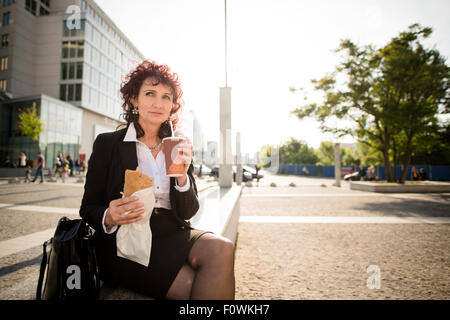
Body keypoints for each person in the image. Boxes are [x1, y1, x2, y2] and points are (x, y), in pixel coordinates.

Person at [79, 60, 235, 300]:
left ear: (173, 105)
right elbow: (88, 207)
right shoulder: (108, 143)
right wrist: (108, 216)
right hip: (128, 242)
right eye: (150, 94)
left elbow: (188, 211)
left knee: (222, 248)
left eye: (166, 97)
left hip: (172, 233)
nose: (158, 103)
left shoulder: (177, 146)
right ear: (134, 99)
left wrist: (182, 176)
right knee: (195, 287)